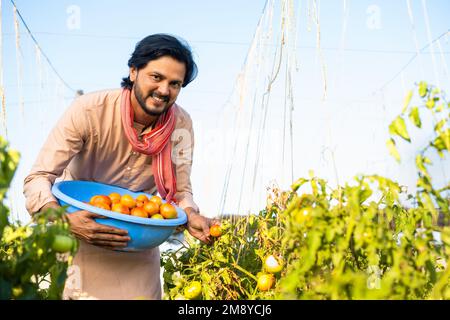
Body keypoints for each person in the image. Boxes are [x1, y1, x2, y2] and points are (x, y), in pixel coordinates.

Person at [23, 34, 216, 300]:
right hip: (81, 238)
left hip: (138, 248)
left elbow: (181, 191)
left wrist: (190, 215)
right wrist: (64, 222)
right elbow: (39, 177)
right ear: (134, 71)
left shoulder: (181, 126)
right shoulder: (89, 110)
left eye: (175, 84)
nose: (163, 91)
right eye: (156, 77)